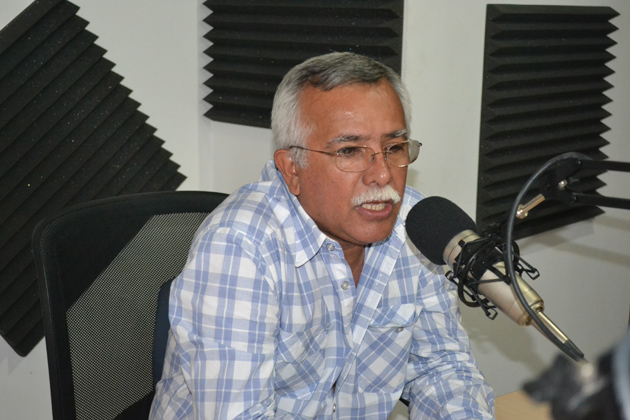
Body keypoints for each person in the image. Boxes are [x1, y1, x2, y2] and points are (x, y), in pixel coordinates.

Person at [150, 52, 495, 419]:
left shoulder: (416, 224)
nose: (382, 175)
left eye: (393, 148)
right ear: (291, 169)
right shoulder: (240, 247)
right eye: (350, 151)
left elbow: (442, 369)